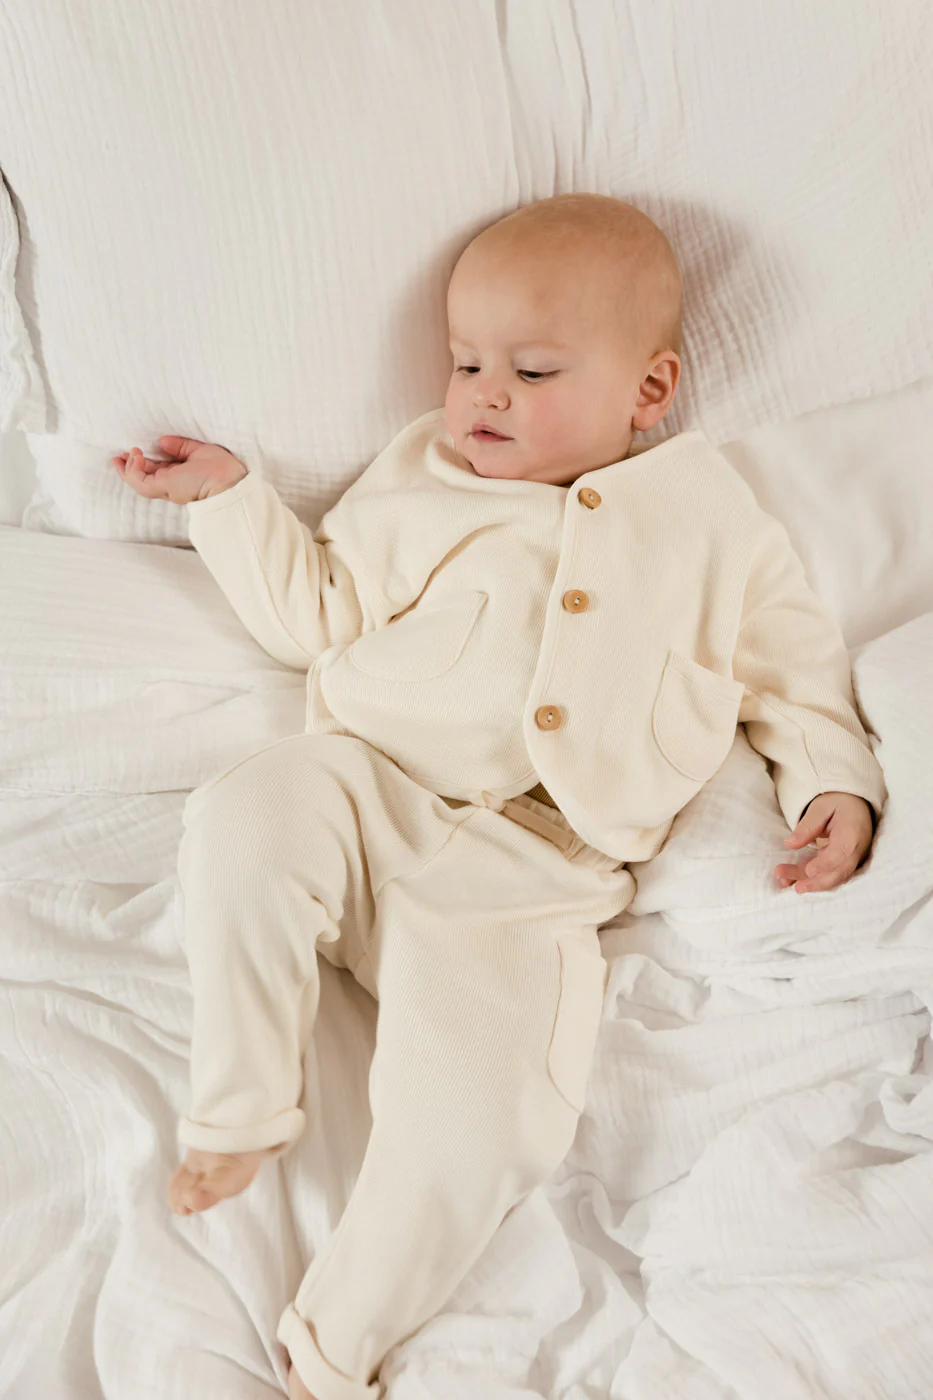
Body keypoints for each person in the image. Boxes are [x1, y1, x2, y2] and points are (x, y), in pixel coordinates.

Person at [112, 193, 886, 1400]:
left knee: (491, 1108)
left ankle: (339, 1336)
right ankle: (242, 1099)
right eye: (466, 361)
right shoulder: (423, 473)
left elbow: (795, 666)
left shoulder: (713, 518)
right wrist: (228, 500)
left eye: (530, 371)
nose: (484, 395)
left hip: (534, 870)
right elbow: (319, 611)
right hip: (373, 786)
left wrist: (837, 781)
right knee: (245, 814)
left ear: (650, 387)